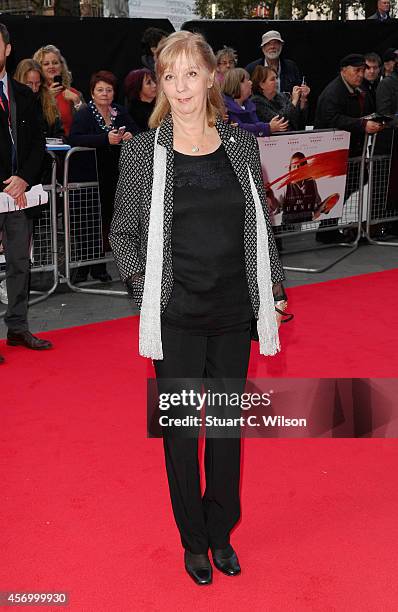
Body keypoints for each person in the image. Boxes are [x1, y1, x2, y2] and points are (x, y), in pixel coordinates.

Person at [110, 30, 288, 586]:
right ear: (159, 84)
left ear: (212, 77)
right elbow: (123, 237)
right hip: (177, 317)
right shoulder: (145, 151)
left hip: (235, 310)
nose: (182, 87)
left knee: (228, 432)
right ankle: (193, 541)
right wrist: (150, 304)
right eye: (170, 75)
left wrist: (275, 290)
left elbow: (259, 226)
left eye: (192, 74)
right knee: (184, 436)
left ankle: (221, 530)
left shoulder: (238, 145)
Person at [0, 23, 52, 365]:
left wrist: (22, 178)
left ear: (6, 49)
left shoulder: (23, 94)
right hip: (4, 188)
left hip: (19, 193)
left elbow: (38, 145)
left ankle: (18, 327)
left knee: (20, 263)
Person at [69, 70, 137, 283]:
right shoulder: (84, 113)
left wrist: (129, 135)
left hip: (114, 175)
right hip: (90, 175)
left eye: (109, 90)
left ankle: (99, 268)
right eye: (100, 90)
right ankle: (85, 267)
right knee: (87, 222)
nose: (105, 94)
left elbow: (138, 131)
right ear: (92, 92)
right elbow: (74, 138)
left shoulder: (120, 111)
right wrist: (105, 139)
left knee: (108, 221)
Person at [314, 53, 382, 243]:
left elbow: (366, 112)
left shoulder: (359, 90)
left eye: (362, 70)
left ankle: (329, 227)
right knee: (336, 188)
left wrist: (374, 120)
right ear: (344, 71)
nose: (360, 75)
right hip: (333, 150)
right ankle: (326, 229)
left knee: (351, 183)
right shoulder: (333, 92)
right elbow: (331, 118)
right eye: (356, 71)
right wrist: (362, 125)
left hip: (351, 149)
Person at [33, 44, 83, 137]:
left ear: (61, 66)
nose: (51, 66)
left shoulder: (74, 94)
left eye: (55, 63)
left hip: (71, 147)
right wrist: (47, 98)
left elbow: (87, 124)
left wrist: (77, 102)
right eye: (46, 64)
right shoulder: (35, 94)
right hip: (45, 147)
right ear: (39, 68)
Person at [222, 67, 288, 136]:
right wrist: (268, 127)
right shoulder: (225, 108)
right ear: (237, 84)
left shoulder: (250, 105)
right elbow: (239, 129)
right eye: (247, 80)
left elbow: (255, 125)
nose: (251, 83)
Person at [14, 58, 64, 139]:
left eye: (37, 83)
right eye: (29, 84)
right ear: (19, 82)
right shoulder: (11, 103)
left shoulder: (48, 102)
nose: (34, 89)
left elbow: (60, 134)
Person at [267, 152, 322, 225]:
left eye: (301, 166)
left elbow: (317, 203)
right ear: (290, 169)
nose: (297, 169)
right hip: (289, 228)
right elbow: (277, 207)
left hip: (307, 226)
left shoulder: (312, 182)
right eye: (294, 166)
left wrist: (322, 208)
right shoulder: (285, 185)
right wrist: (271, 197)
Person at [251, 65, 310, 131]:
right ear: (261, 84)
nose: (276, 82)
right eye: (272, 79)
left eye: (276, 78)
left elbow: (298, 121)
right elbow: (279, 121)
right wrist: (294, 101)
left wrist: (302, 99)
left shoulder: (282, 96)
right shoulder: (256, 102)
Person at [245, 30, 301, 94]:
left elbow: (298, 91)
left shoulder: (291, 67)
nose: (272, 47)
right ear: (263, 48)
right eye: (268, 44)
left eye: (276, 43)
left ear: (281, 46)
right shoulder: (252, 68)